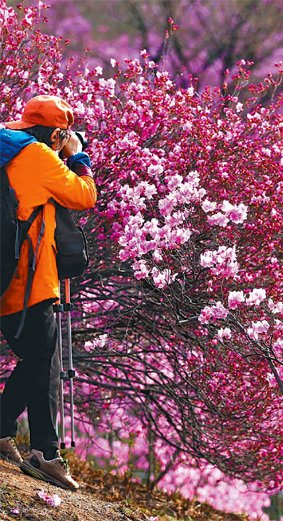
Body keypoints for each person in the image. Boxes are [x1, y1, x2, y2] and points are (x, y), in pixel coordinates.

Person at [0, 95, 97, 490]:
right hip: (29, 280)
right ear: (57, 133)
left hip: (5, 275)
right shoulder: (40, 155)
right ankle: (46, 454)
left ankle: (4, 429)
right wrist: (78, 155)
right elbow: (84, 195)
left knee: (37, 358)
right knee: (44, 364)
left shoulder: (8, 146)